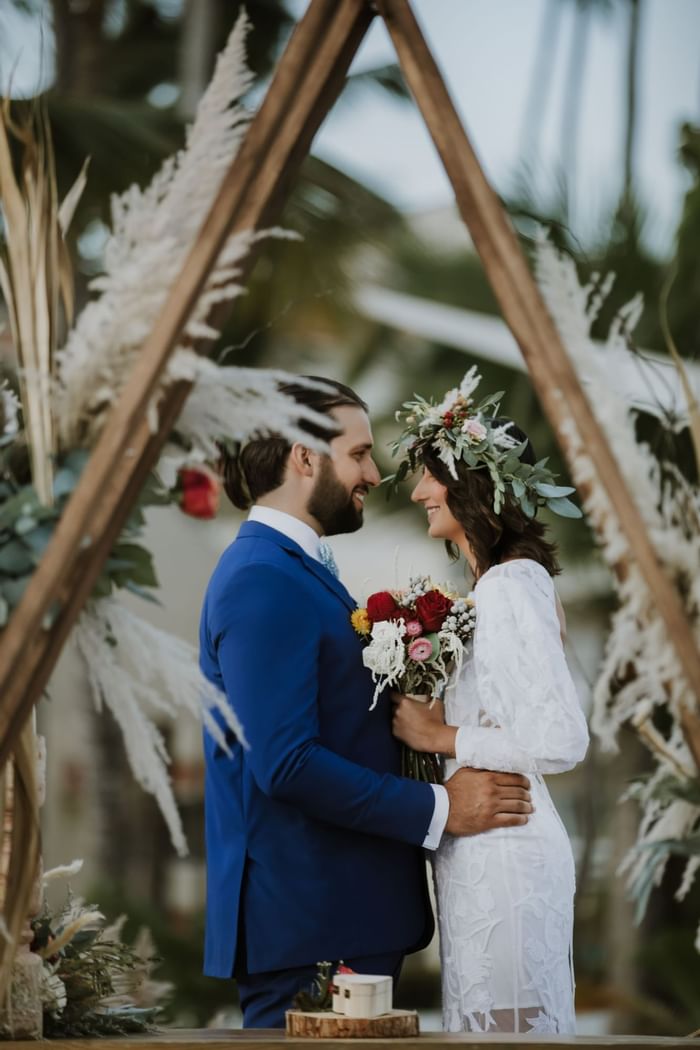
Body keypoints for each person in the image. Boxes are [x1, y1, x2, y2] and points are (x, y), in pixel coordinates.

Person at [198, 375, 534, 1029]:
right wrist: (441, 807)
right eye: (358, 453)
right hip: (311, 930)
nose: (374, 474)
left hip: (336, 921)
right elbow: (287, 763)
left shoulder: (293, 571)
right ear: (303, 456)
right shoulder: (263, 580)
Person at [390, 369, 590, 1035]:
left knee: (504, 1034)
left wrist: (439, 738)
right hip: (482, 847)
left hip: (508, 853)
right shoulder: (498, 587)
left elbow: (560, 740)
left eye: (431, 474)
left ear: (474, 484)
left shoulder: (509, 587)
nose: (418, 490)